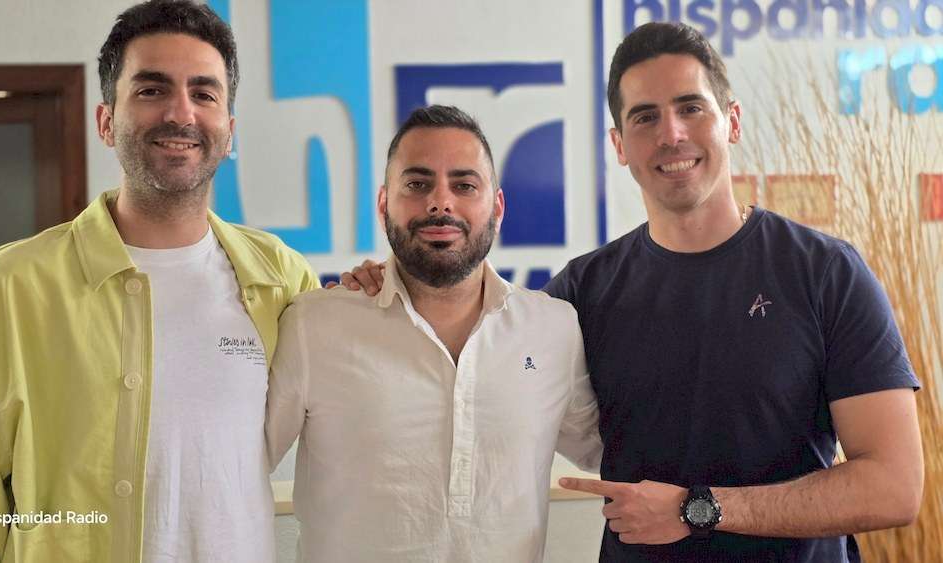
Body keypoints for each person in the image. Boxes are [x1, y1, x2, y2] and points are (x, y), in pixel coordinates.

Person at [341, 22, 923, 563]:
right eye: (645, 117)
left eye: (691, 108)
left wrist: (700, 509)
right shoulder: (580, 294)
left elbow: (894, 486)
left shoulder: (825, 272)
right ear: (619, 145)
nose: (671, 134)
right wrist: (393, 280)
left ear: (732, 121)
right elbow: (466, 338)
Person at [0, 1, 318, 561]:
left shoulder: (280, 279)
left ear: (229, 132)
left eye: (204, 93)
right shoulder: (12, 288)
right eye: (151, 89)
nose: (181, 112)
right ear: (106, 121)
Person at [265, 105, 603, 562]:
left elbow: (606, 448)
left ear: (497, 207)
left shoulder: (552, 328)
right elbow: (241, 466)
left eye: (464, 185)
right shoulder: (315, 325)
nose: (440, 203)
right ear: (384, 204)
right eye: (417, 184)